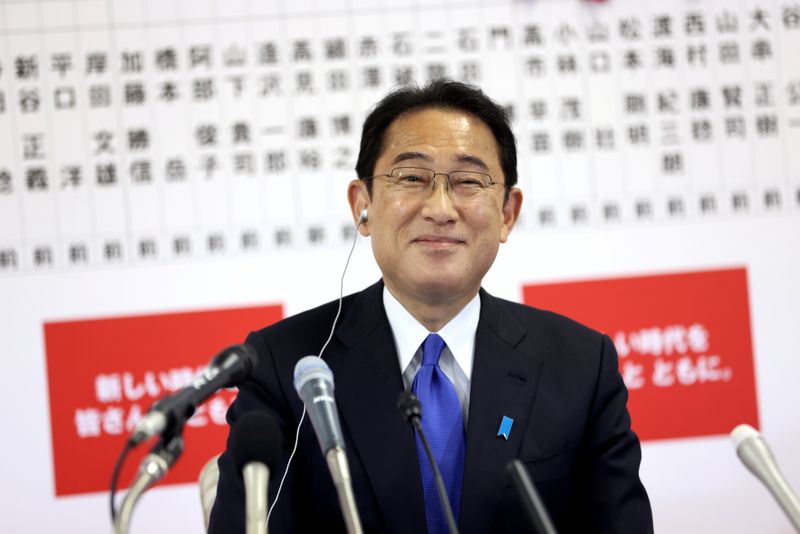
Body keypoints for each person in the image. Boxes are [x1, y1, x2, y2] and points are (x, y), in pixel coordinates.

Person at [208, 80, 653, 533]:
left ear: (507, 214)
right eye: (412, 178)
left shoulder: (580, 364)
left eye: (468, 181)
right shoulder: (287, 366)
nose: (440, 208)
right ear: (362, 205)